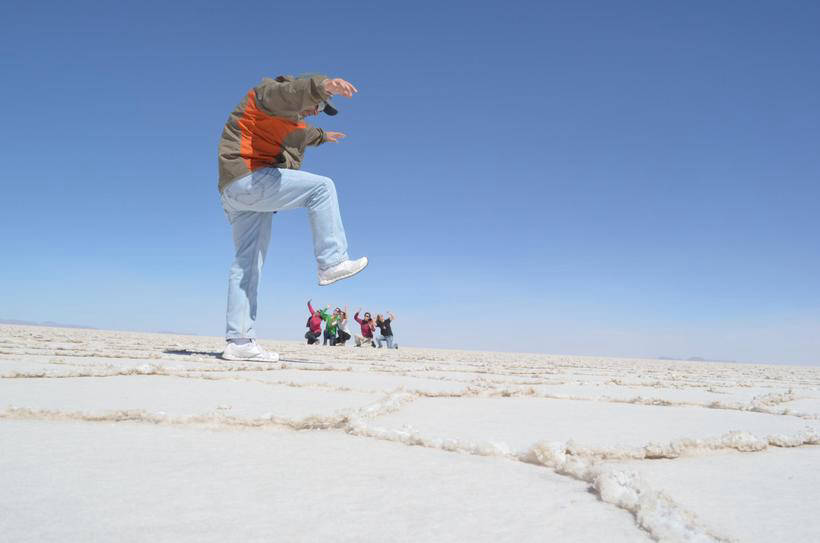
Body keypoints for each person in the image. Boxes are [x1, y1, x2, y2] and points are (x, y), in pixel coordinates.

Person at [219, 74, 368, 362]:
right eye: (318, 105)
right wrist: (320, 86)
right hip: (248, 176)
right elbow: (288, 94)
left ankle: (238, 341)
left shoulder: (290, 124)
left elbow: (305, 134)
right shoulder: (266, 95)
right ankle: (332, 261)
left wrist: (325, 135)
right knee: (322, 188)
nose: (315, 112)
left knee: (247, 265)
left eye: (321, 110)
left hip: (237, 192)